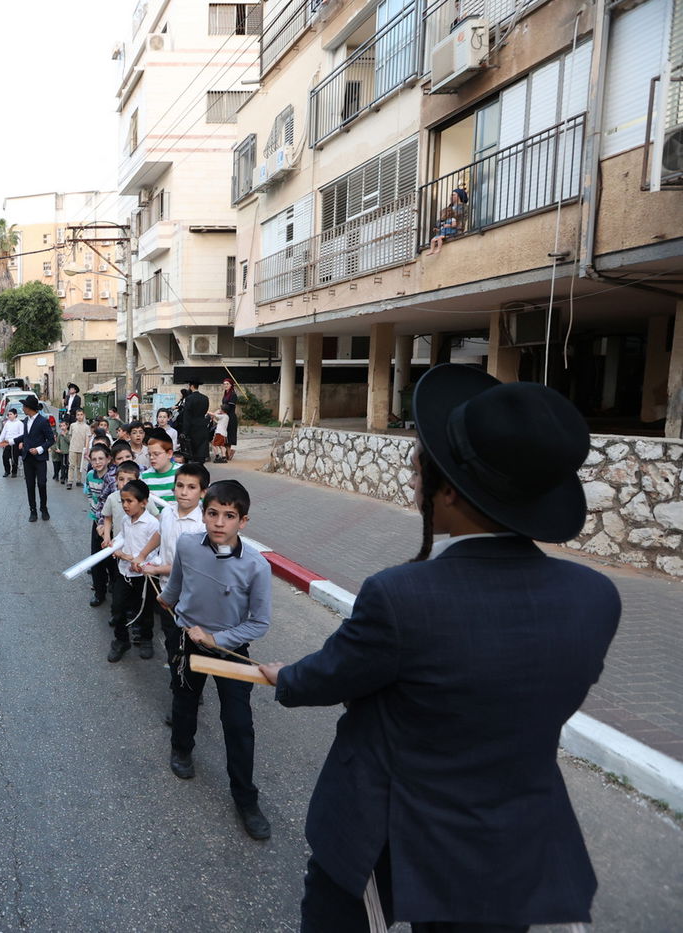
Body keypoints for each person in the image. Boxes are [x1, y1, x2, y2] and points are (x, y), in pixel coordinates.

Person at [256, 365, 620, 932]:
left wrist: (286, 677)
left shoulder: (401, 597)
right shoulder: (595, 598)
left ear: (447, 489)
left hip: (386, 834)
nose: (412, 465)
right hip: (507, 842)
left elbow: (331, 675)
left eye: (421, 457)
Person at [158, 480, 272, 841]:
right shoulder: (188, 546)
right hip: (188, 642)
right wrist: (168, 603)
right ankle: (182, 749)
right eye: (212, 513)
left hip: (230, 653)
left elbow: (259, 622)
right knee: (184, 699)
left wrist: (216, 639)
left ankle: (245, 798)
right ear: (203, 515)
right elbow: (175, 589)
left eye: (229, 516)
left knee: (238, 723)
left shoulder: (256, 565)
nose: (219, 522)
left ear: (244, 521)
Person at [136, 462, 210, 691]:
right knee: (171, 641)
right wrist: (143, 556)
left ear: (203, 492)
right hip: (167, 592)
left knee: (193, 645)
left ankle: (190, 690)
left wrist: (156, 569)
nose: (184, 492)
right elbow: (161, 536)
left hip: (191, 597)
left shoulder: (203, 524)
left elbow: (190, 567)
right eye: (180, 486)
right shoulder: (167, 512)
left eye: (191, 487)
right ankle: (178, 684)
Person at [105, 477, 162, 662]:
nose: (125, 505)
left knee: (145, 610)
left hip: (144, 577)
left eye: (130, 501)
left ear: (144, 502)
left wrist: (129, 557)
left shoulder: (153, 525)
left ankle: (146, 639)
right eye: (123, 501)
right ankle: (121, 640)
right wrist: (115, 545)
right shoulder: (125, 520)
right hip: (124, 572)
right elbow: (123, 535)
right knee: (118, 607)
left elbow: (152, 554)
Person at [83, 445, 117, 607]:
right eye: (94, 459)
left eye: (101, 459)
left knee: (111, 558)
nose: (97, 462)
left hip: (111, 524)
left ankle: (113, 587)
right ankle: (99, 592)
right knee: (96, 559)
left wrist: (106, 525)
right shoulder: (90, 475)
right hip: (96, 521)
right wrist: (97, 519)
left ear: (108, 459)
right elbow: (90, 495)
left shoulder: (113, 478)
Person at [16, 397, 55, 522]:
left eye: (24, 406)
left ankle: (44, 508)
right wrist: (17, 441)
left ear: (29, 408)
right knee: (30, 485)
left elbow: (51, 440)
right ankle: (32, 511)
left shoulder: (43, 421)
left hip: (39, 458)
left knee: (42, 484)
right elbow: (27, 436)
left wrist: (39, 449)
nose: (22, 409)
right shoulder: (25, 420)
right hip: (27, 458)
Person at [426, 186, 468, 256]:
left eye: (453, 195)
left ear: (459, 196)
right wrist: (438, 226)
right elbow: (441, 219)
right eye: (450, 195)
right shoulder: (447, 209)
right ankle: (433, 249)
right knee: (434, 239)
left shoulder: (464, 207)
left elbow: (461, 218)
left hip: (454, 231)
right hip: (444, 231)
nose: (450, 197)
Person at [178, 379, 210, 464]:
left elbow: (187, 416)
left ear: (191, 386)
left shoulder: (189, 398)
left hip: (192, 427)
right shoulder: (205, 398)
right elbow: (205, 411)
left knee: (192, 451)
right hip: (203, 426)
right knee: (201, 450)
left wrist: (184, 431)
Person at [141, 434, 179, 507]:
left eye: (156, 454)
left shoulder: (182, 472)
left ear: (169, 454)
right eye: (149, 454)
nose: (152, 457)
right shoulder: (144, 477)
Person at [66, 411, 92, 491]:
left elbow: (88, 438)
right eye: (78, 415)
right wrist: (72, 444)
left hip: (82, 449)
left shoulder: (87, 427)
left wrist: (86, 448)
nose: (80, 416)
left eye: (81, 415)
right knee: (71, 465)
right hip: (73, 448)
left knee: (79, 466)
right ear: (76, 416)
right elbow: (70, 436)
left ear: (84, 415)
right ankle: (70, 481)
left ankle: (78, 480)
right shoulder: (72, 425)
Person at [0, 409, 23, 477]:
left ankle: (14, 472)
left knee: (14, 458)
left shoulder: (19, 423)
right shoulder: (7, 423)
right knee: (5, 457)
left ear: (15, 415)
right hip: (7, 443)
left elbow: (22, 434)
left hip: (15, 443)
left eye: (11, 414)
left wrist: (21, 442)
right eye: (8, 414)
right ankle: (7, 471)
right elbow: (3, 433)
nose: (9, 416)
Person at [53, 416, 70, 484]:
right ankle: (62, 477)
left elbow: (70, 442)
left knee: (67, 465)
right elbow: (57, 443)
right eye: (61, 426)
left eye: (64, 425)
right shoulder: (60, 435)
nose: (62, 427)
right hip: (62, 452)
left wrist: (65, 436)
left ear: (67, 426)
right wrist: (57, 448)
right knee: (62, 465)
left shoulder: (69, 433)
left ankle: (67, 476)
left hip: (68, 452)